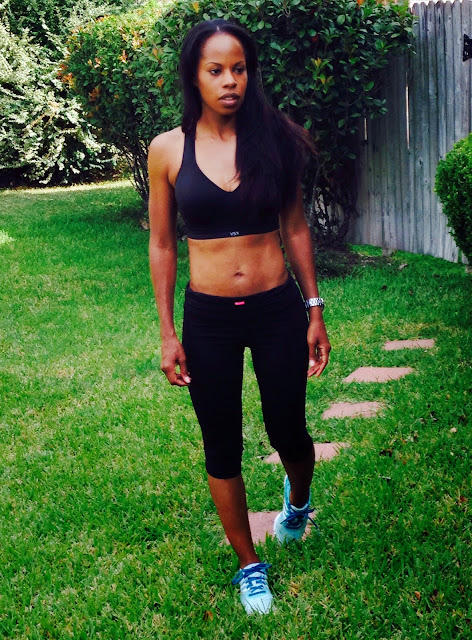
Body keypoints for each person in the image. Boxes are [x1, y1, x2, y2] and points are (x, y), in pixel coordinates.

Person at [147, 18, 331, 616]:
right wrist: (168, 332)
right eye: (216, 70)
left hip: (277, 309)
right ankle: (250, 565)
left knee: (289, 429)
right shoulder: (168, 150)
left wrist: (314, 309)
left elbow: (295, 227)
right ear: (194, 77)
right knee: (221, 440)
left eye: (239, 69)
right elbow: (163, 244)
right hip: (209, 319)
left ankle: (297, 502)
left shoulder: (274, 140)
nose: (230, 81)